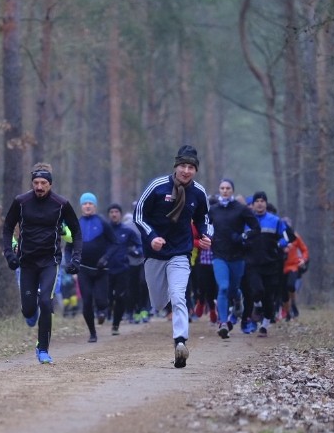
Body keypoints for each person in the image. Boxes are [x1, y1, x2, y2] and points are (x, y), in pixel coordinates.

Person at [134, 145, 212, 368]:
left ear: (195, 170)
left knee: (179, 295)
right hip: (155, 252)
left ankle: (180, 343)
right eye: (182, 166)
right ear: (175, 167)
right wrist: (152, 237)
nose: (186, 171)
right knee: (158, 303)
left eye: (191, 167)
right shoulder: (158, 187)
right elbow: (139, 214)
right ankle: (165, 298)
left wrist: (206, 235)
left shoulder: (198, 192)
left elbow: (204, 218)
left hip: (181, 251)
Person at [1, 163, 82, 363]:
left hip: (50, 261)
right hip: (26, 261)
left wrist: (76, 258)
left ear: (50, 184)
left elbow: (77, 232)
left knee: (46, 302)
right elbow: (7, 227)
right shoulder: (21, 201)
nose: (39, 186)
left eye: (43, 183)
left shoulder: (61, 204)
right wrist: (9, 254)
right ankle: (30, 310)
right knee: (29, 310)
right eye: (36, 182)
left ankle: (43, 348)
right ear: (32, 183)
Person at [209, 179, 260, 339]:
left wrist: (243, 236)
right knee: (223, 288)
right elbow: (203, 227)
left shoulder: (241, 209)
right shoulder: (213, 210)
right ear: (219, 190)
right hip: (219, 255)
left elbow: (256, 228)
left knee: (233, 289)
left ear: (232, 190)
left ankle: (238, 298)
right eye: (222, 188)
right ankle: (223, 323)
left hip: (237, 256)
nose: (225, 191)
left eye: (228, 188)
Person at [240, 192, 294, 337]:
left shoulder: (275, 221)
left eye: (262, 201)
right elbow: (240, 236)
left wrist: (281, 243)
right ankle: (257, 306)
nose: (259, 203)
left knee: (269, 297)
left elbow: (287, 237)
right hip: (252, 263)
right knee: (257, 290)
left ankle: (264, 325)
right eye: (257, 200)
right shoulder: (247, 221)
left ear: (266, 203)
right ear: (253, 204)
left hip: (271, 263)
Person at [72, 192, 120, 343]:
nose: (87, 206)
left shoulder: (102, 222)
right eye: (85, 203)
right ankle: (92, 333)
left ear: (95, 206)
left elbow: (115, 243)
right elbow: (68, 247)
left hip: (101, 269)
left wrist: (105, 258)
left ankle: (102, 311)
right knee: (86, 301)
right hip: (84, 269)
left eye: (90, 203)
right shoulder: (76, 224)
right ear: (81, 207)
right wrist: (70, 261)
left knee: (101, 301)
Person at [106, 203, 142, 335]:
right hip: (106, 270)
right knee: (107, 297)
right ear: (108, 215)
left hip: (123, 269)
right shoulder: (105, 230)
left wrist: (136, 252)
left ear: (120, 214)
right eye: (111, 212)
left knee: (121, 298)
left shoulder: (127, 231)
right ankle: (106, 313)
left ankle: (116, 324)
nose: (114, 214)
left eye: (116, 212)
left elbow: (140, 246)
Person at [281, 218, 309, 321]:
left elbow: (304, 249)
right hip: (280, 268)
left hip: (292, 266)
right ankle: (288, 313)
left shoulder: (295, 237)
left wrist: (303, 259)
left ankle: (293, 303)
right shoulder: (277, 237)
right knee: (283, 293)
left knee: (291, 285)